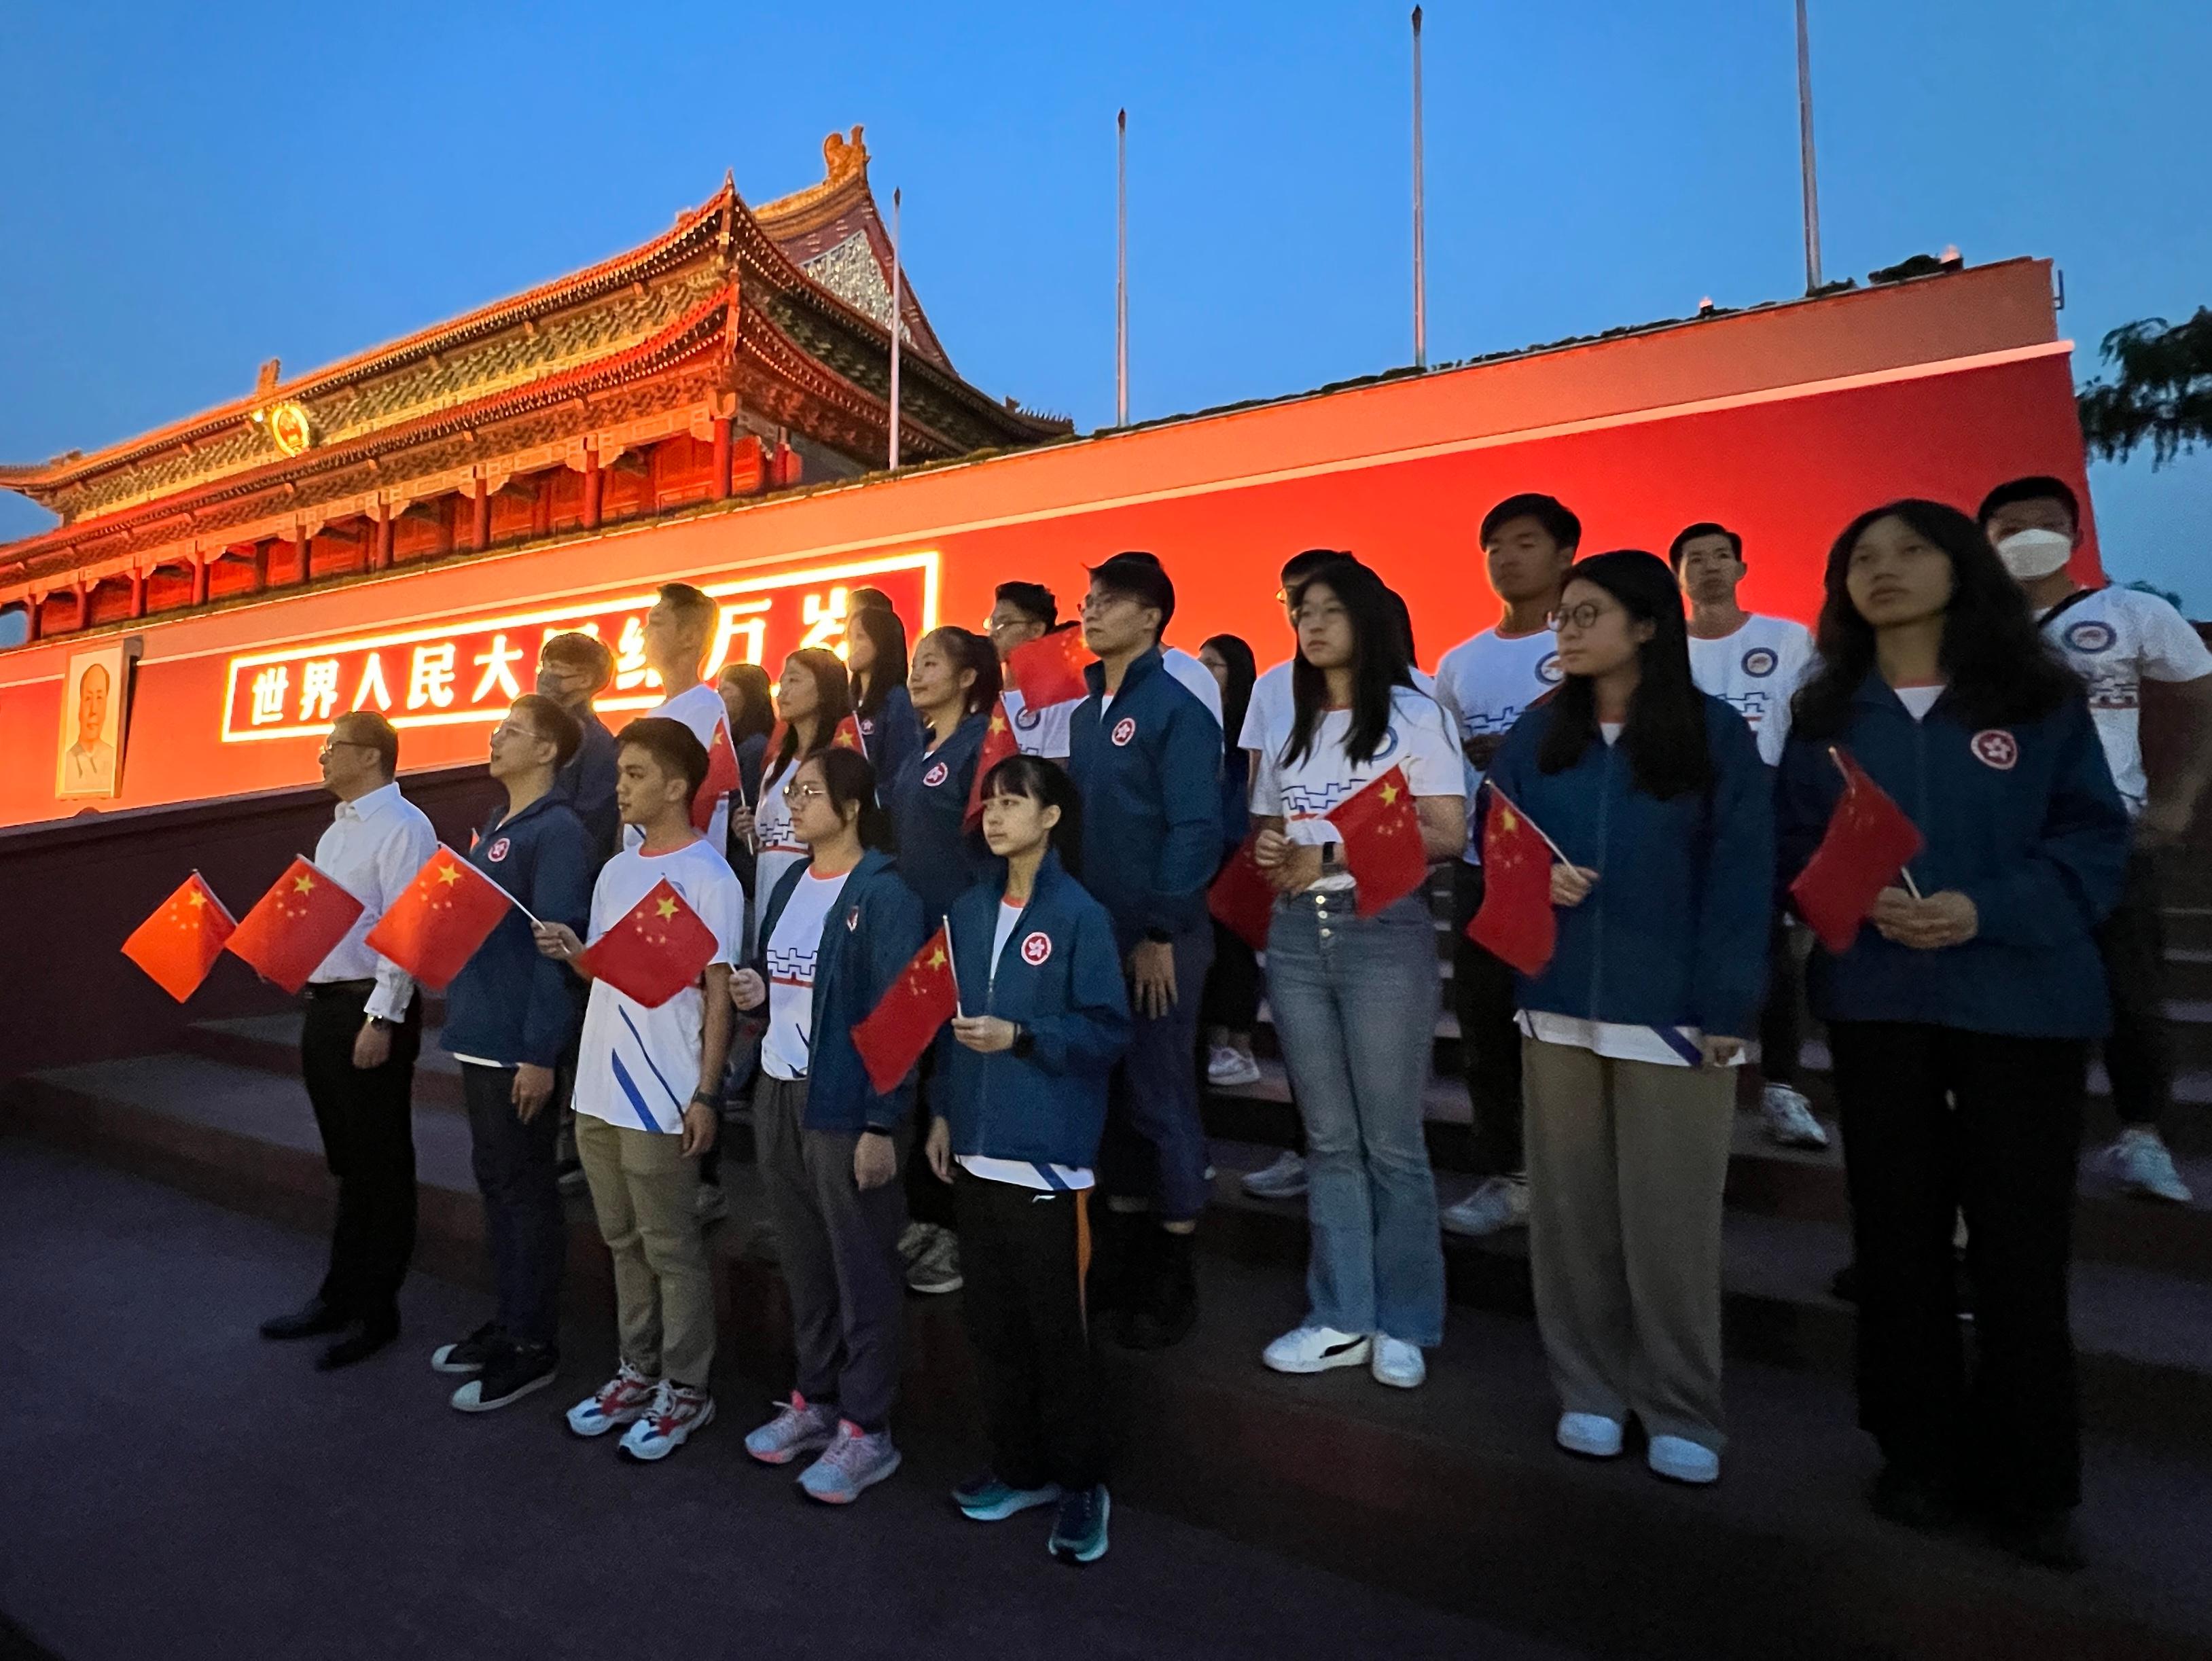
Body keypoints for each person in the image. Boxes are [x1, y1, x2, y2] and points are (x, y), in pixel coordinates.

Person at [1777, 500, 2127, 1567]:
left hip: (2020, 1005)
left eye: (1910, 551)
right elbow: (1796, 842)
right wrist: (1842, 900)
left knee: (2020, 1244)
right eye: (1862, 559)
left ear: (1961, 568)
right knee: (1897, 1236)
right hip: (1882, 1001)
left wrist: (1987, 908)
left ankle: (2030, 1478)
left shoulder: (2036, 699)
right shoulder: (1829, 715)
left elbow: (2093, 839)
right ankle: (1915, 1454)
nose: (1883, 572)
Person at [1486, 550, 1772, 1487]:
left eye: (1588, 613)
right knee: (1570, 1216)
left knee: (1670, 1222)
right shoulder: (1538, 737)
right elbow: (1498, 851)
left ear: (1648, 624)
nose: (1566, 628)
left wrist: (1730, 1000)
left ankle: (1682, 1404)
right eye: (1563, 615)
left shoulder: (1712, 734)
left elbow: (1742, 875)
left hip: (1675, 1012)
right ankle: (1590, 1390)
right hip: (1558, 1006)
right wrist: (1533, 880)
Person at [1249, 561, 1461, 1389]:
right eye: (1304, 612)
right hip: (1297, 936)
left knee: (1391, 1141)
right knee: (1329, 1139)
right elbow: (1271, 825)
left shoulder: (1411, 712)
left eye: (1332, 610)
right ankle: (1340, 1312)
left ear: (1369, 621)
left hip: (1382, 929)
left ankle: (1406, 1319)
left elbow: (1445, 829)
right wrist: (1274, 852)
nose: (1313, 624)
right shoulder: (1290, 714)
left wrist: (1329, 853)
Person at [1981, 475, 2212, 1205]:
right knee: (2010, 997)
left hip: (2108, 834)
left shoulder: (2130, 613)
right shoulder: (1972, 633)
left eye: (2043, 524)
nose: (2026, 539)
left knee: (2130, 993)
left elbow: (2203, 701)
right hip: (2002, 846)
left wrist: (2178, 795)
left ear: (2075, 535)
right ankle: (2015, 1140)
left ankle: (2142, 1137)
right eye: (2007, 528)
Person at [925, 753, 1130, 1563]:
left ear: (1051, 818)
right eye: (993, 801)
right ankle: (1019, 1468)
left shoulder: (1079, 915)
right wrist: (942, 1111)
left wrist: (1027, 1037)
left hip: (1047, 1164)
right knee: (994, 1328)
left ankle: (1082, 1485)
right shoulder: (970, 909)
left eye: (1016, 802)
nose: (998, 813)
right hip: (976, 1155)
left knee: (1058, 1337)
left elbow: (1109, 1031)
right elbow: (947, 1021)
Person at [532, 718, 743, 1461]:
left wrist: (707, 1094)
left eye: (635, 775)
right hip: (597, 1086)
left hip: (663, 1090)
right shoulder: (618, 869)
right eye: (620, 773)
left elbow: (717, 994)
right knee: (622, 1239)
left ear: (678, 786)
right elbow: (611, 971)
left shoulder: (711, 878)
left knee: (671, 1247)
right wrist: (575, 953)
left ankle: (687, 1390)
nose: (619, 787)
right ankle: (636, 1370)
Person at [734, 747, 927, 1504]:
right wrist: (754, 988)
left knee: (862, 1265)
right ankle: (813, 1401)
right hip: (779, 1090)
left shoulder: (885, 892)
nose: (794, 804)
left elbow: (900, 1014)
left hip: (846, 1100)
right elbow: (775, 978)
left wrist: (884, 1121)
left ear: (851, 807)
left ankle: (868, 1428)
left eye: (810, 792)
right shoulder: (788, 882)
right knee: (806, 1259)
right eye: (792, 792)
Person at [1067, 552, 1220, 1349]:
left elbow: (1196, 826)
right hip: (1095, 939)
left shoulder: (1174, 707)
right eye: (1087, 600)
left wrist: (1162, 930)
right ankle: (1122, 1256)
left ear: (1153, 618)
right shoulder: (1084, 714)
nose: (1089, 613)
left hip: (1161, 938)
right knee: (1115, 1101)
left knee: (1162, 1095)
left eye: (1108, 602)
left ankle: (1176, 1265)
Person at [258, 711, 437, 1370]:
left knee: (380, 1162)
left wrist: (383, 1018)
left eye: (331, 749)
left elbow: (407, 930)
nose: (322, 760)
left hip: (369, 1010)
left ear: (369, 756)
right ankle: (338, 1294)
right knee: (347, 1160)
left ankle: (376, 1309)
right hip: (327, 1005)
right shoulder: (338, 830)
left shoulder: (405, 827)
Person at [433, 695, 594, 1412]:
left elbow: (554, 950)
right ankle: (508, 1319)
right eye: (497, 730)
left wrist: (540, 1053)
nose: (495, 740)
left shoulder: (557, 832)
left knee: (526, 1193)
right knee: (497, 1183)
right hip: (479, 1031)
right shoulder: (498, 826)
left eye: (513, 732)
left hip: (517, 1045)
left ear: (549, 752)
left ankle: (534, 1343)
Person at [1433, 493, 1581, 1238]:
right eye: (1493, 545)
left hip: (1572, 875)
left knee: (1566, 1032)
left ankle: (1576, 1182)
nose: (1505, 557)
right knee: (1487, 1030)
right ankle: (1511, 1174)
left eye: (1525, 543)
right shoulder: (1460, 662)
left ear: (1565, 556)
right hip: (1481, 867)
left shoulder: (1589, 648)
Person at [1670, 521, 1827, 1153]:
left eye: (1720, 556)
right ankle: (1688, 1084)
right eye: (1694, 559)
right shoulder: (1662, 652)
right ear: (1677, 574)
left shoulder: (1786, 640)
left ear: (1741, 568)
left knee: (1769, 949)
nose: (1708, 567)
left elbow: (1810, 730)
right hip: (1680, 821)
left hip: (1762, 817)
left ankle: (1783, 1088)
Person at [884, 625, 1005, 1296]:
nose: (918, 672)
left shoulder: (984, 744)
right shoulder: (918, 750)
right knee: (920, 1073)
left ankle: (957, 1235)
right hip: (914, 939)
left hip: (965, 934)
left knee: (959, 1076)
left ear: (968, 678)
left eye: (933, 662)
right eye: (916, 662)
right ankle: (922, 1220)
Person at [1198, 634, 1264, 1090]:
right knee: (1211, 953)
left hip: (1239, 850)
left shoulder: (1248, 728)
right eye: (1199, 661)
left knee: (1235, 953)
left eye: (1215, 665)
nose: (1204, 671)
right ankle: (1216, 1042)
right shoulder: (1194, 721)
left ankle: (1240, 1047)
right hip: (1204, 850)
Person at [630, 582, 736, 853]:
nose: (644, 633)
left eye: (656, 623)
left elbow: (696, 802)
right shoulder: (657, 713)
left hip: (677, 869)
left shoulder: (704, 707)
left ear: (689, 637)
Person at [755, 648, 856, 912]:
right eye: (783, 681)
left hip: (819, 895)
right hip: (769, 892)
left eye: (795, 680)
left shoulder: (838, 760)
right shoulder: (776, 767)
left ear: (824, 689)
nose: (782, 692)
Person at [537, 632, 620, 865]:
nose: (545, 676)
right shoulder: (534, 733)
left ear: (585, 680)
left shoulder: (598, 745)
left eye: (556, 668)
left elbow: (593, 828)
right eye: (544, 667)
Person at [986, 581, 1075, 760]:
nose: (994, 632)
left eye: (1004, 623)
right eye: (992, 623)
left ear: (1036, 630)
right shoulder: (986, 700)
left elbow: (1055, 772)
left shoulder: (1058, 700)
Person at [846, 601, 922, 787]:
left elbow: (899, 770)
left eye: (861, 637)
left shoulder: (898, 700)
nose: (852, 645)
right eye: (849, 638)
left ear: (882, 643)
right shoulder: (849, 703)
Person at [62, 660, 116, 791]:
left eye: (99, 698)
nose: (93, 710)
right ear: (79, 706)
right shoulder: (67, 761)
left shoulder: (112, 759)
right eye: (88, 698)